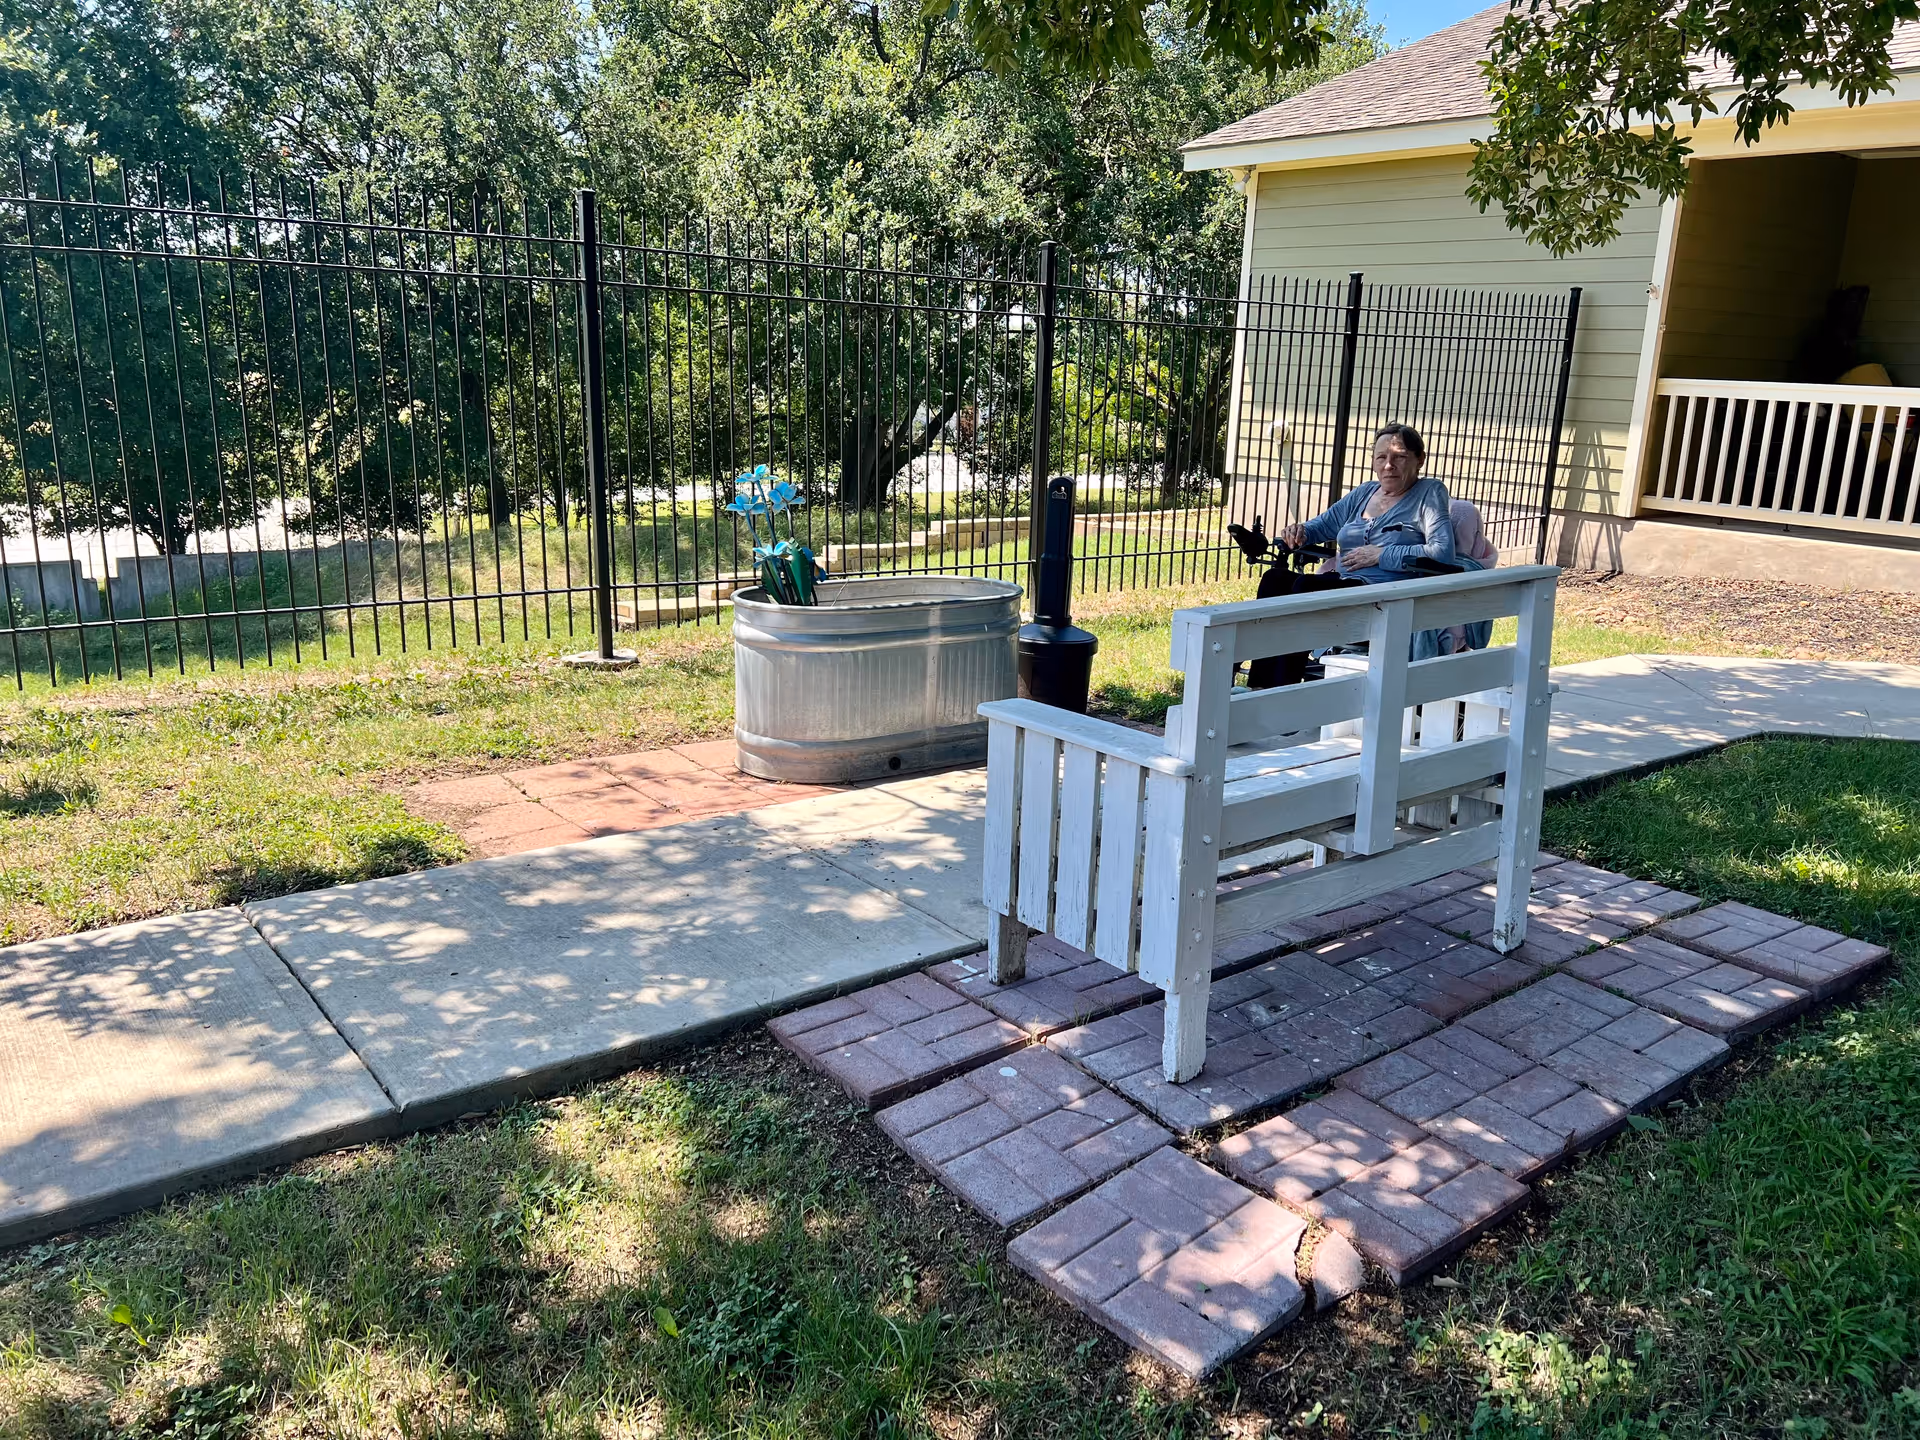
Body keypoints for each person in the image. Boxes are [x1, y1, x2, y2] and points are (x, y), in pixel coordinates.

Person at [1247, 423, 1456, 686]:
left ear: (1419, 459)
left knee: (1305, 586)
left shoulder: (1429, 492)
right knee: (1274, 579)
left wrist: (1382, 554)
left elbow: (1442, 551)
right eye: (1381, 457)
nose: (1388, 465)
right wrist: (1300, 531)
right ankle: (1257, 686)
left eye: (1399, 456)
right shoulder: (1365, 492)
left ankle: (1280, 692)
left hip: (1385, 598)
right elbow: (1323, 525)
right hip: (1346, 587)